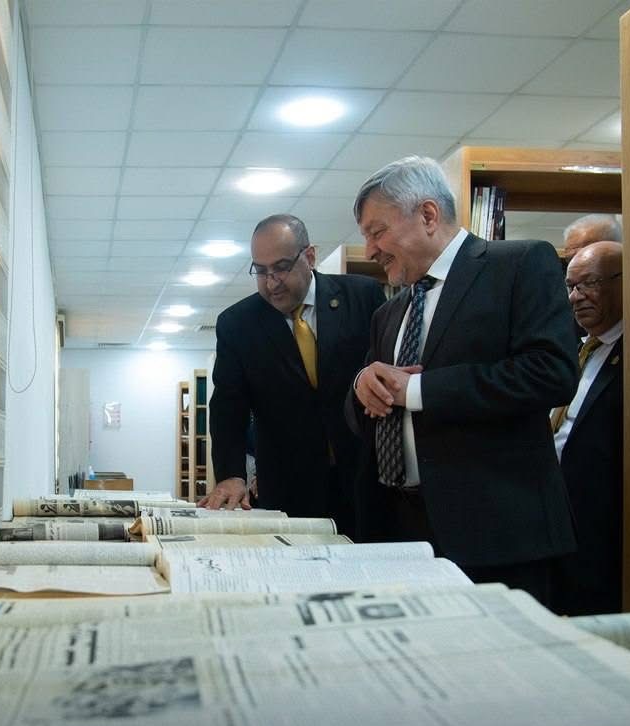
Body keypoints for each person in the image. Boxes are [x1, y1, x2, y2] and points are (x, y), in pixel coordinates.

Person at [347, 156, 579, 600]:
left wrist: (418, 390)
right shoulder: (388, 313)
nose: (371, 250)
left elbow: (551, 372)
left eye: (377, 232)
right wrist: (362, 386)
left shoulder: (519, 265)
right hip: (402, 533)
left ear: (428, 215)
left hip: (497, 537)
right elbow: (370, 404)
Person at [200, 214, 385, 536]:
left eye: (282, 267)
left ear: (309, 256)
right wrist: (231, 475)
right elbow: (228, 407)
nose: (271, 282)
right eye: (261, 271)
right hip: (288, 489)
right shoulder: (238, 324)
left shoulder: (362, 296)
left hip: (366, 479)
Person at [551, 241, 625, 615]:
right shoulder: (571, 348)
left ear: (625, 281)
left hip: (602, 524)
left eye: (589, 284)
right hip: (556, 516)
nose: (576, 297)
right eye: (571, 286)